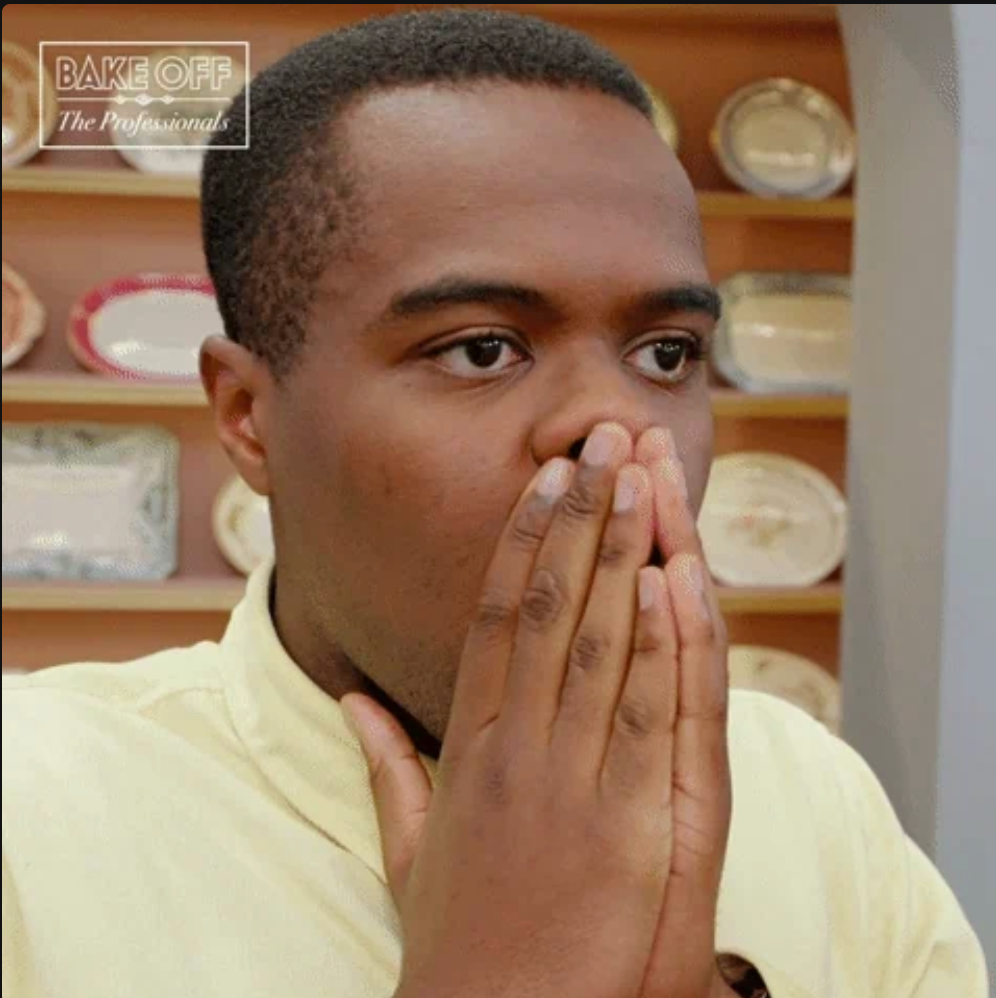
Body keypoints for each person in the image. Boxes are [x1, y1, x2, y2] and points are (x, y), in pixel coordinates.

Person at [1, 9, 988, 998]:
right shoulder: (34, 814)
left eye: (667, 354)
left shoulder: (813, 794)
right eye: (481, 349)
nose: (616, 432)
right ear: (250, 418)